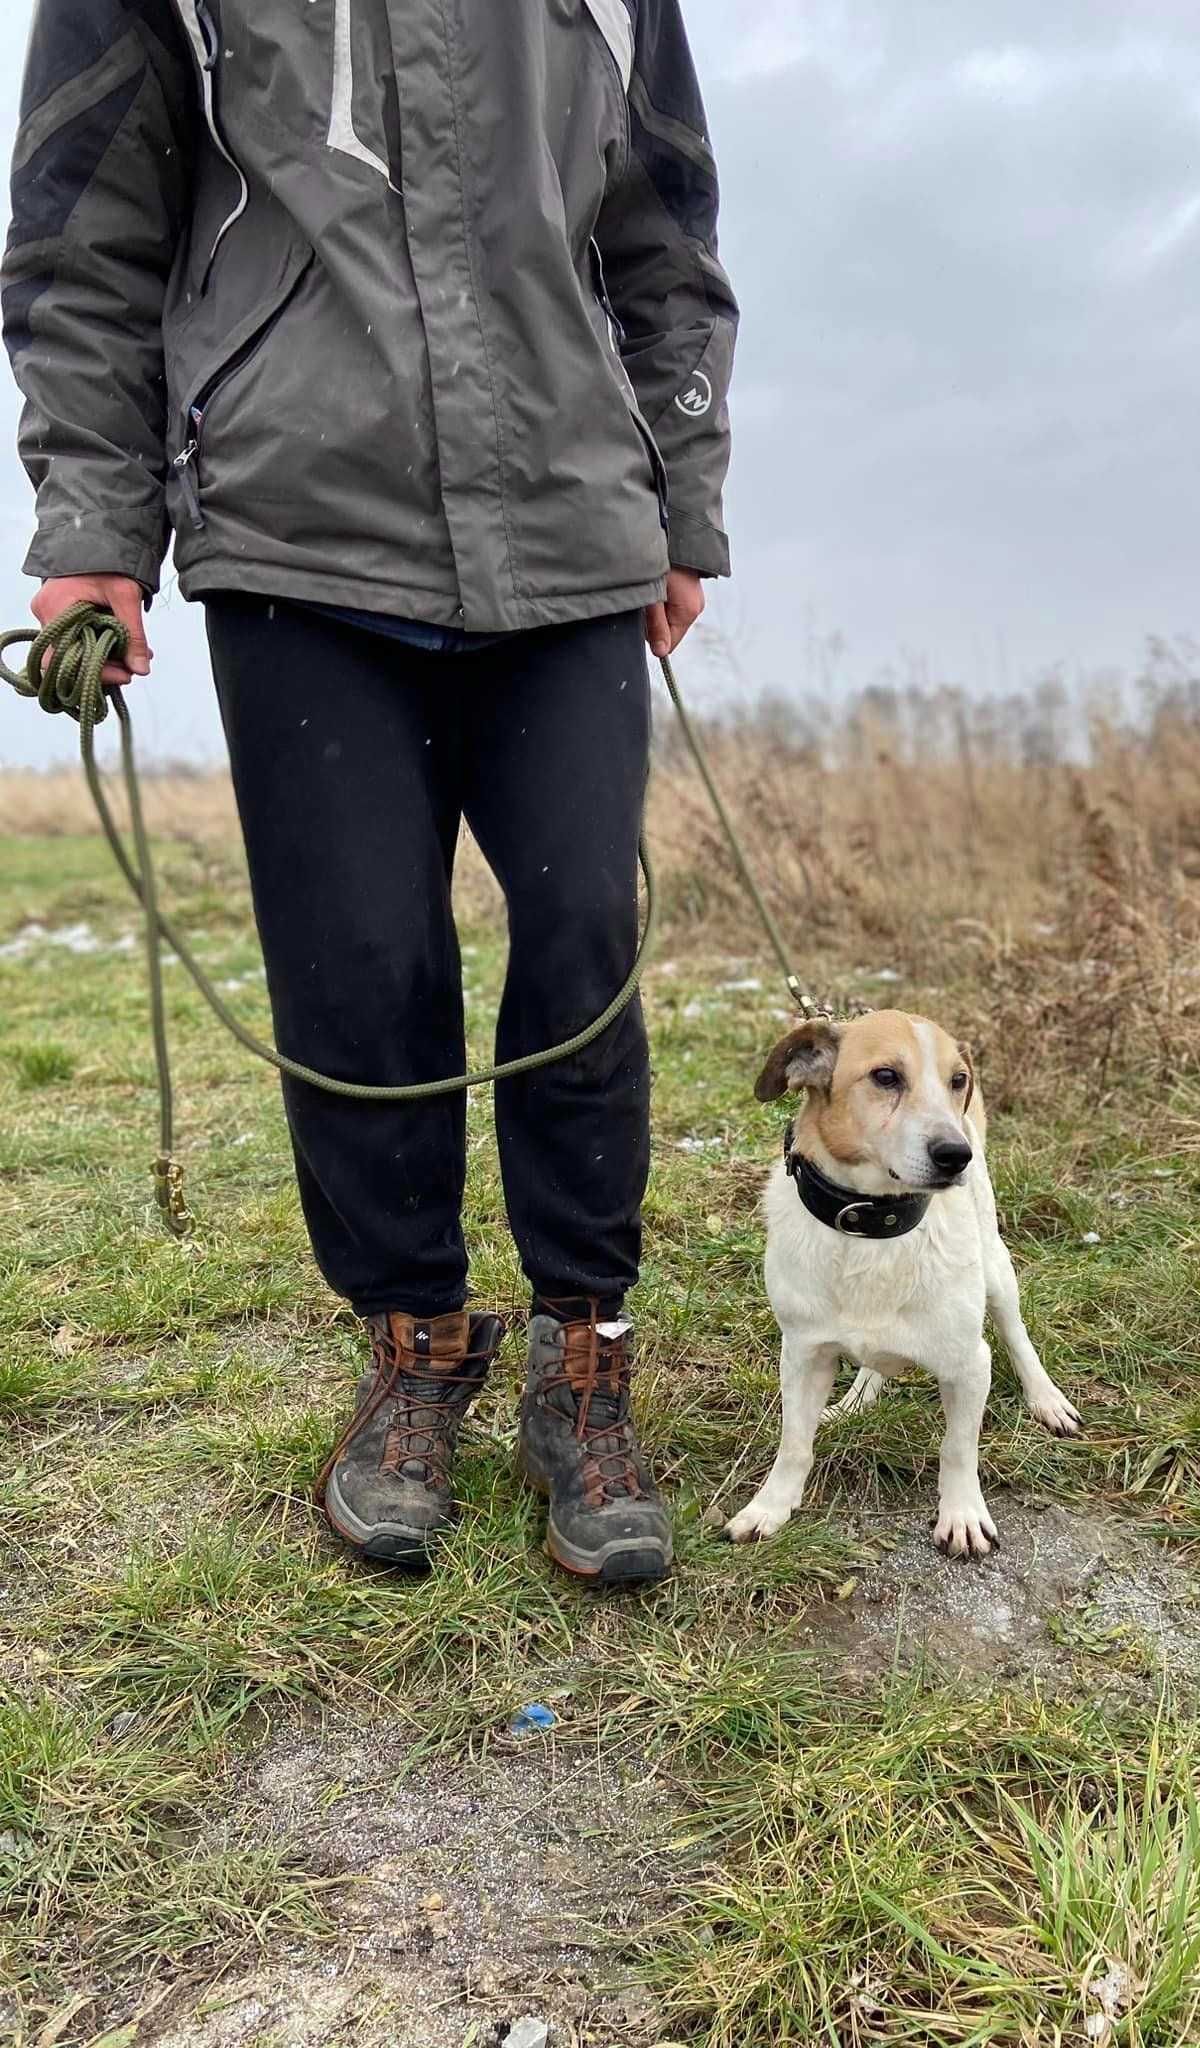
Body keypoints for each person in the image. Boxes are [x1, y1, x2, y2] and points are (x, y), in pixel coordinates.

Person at [4, 0, 737, 1587]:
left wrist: (687, 501)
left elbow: (666, 233)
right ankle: (413, 1340)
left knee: (581, 950)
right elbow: (84, 239)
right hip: (296, 529)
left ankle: (585, 1348)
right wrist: (92, 528)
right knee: (358, 969)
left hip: (567, 527)